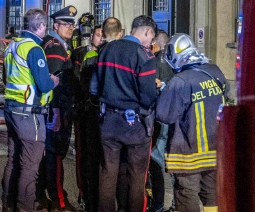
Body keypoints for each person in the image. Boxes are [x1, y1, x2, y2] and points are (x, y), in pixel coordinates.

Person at [90, 15, 158, 212]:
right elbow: (147, 96)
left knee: (107, 172)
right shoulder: (143, 55)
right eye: (151, 37)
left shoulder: (106, 50)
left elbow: (94, 88)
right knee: (137, 175)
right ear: (147, 31)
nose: (151, 42)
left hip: (108, 121)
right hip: (134, 124)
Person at [156, 34, 226, 212]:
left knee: (186, 195)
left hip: (188, 154)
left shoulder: (179, 81)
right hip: (215, 151)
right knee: (212, 196)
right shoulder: (215, 72)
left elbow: (164, 115)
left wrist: (163, 92)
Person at [2, 8, 59, 212]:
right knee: (30, 165)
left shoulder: (12, 46)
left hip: (11, 108)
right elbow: (43, 85)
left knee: (12, 161)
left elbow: (5, 78)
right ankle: (24, 207)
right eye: (45, 26)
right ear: (41, 26)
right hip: (29, 113)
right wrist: (54, 80)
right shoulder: (34, 49)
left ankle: (8, 204)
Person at [36, 5, 77, 211]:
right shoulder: (54, 47)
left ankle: (41, 196)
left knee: (50, 154)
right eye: (65, 24)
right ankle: (58, 199)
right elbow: (52, 83)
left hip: (54, 110)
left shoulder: (57, 45)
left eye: (72, 24)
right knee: (55, 155)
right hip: (55, 110)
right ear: (55, 25)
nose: (70, 28)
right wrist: (57, 112)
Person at [71, 23, 103, 211]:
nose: (100, 38)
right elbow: (77, 82)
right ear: (92, 37)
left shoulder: (107, 54)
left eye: (102, 35)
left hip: (99, 116)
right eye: (97, 35)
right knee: (85, 157)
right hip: (85, 113)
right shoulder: (80, 54)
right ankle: (85, 195)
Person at [148, 30, 175, 212]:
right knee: (174, 162)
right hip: (174, 117)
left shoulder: (154, 59)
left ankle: (157, 204)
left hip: (158, 116)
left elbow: (150, 88)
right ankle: (175, 203)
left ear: (157, 43)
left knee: (155, 161)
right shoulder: (176, 62)